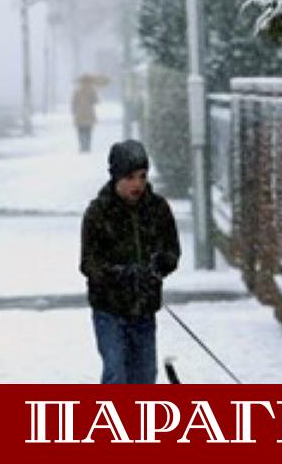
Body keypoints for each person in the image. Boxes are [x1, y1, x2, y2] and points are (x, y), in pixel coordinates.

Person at [80, 140, 181, 384]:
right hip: (109, 310)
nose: (137, 184)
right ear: (116, 177)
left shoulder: (157, 209)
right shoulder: (98, 213)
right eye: (130, 177)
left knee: (145, 377)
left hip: (144, 309)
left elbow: (172, 251)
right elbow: (88, 263)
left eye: (142, 176)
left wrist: (159, 266)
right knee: (116, 374)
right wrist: (122, 274)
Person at [71, 78, 98, 153]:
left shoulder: (77, 92)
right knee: (88, 131)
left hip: (80, 114)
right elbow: (96, 101)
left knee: (81, 131)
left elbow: (73, 103)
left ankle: (83, 146)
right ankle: (87, 146)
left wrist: (73, 111)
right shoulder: (91, 91)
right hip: (88, 114)